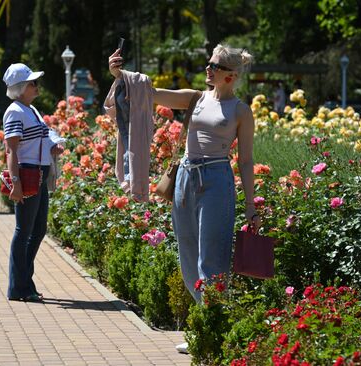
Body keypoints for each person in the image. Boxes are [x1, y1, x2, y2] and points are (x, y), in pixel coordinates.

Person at [109, 43, 262, 353]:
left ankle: (210, 331)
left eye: (214, 66)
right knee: (188, 256)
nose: (208, 69)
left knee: (212, 258)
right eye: (209, 64)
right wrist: (119, 73)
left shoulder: (240, 111)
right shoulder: (196, 98)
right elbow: (151, 92)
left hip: (217, 180)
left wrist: (251, 206)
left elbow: (246, 161)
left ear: (230, 76)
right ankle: (211, 322)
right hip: (185, 178)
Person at [2, 63, 64, 302]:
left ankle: (24, 281)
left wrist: (53, 145)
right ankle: (19, 287)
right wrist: (15, 182)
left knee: (38, 229)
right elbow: (11, 149)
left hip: (38, 173)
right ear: (19, 88)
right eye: (31, 83)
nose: (36, 86)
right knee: (24, 230)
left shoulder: (31, 110)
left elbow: (42, 136)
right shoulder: (15, 112)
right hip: (27, 174)